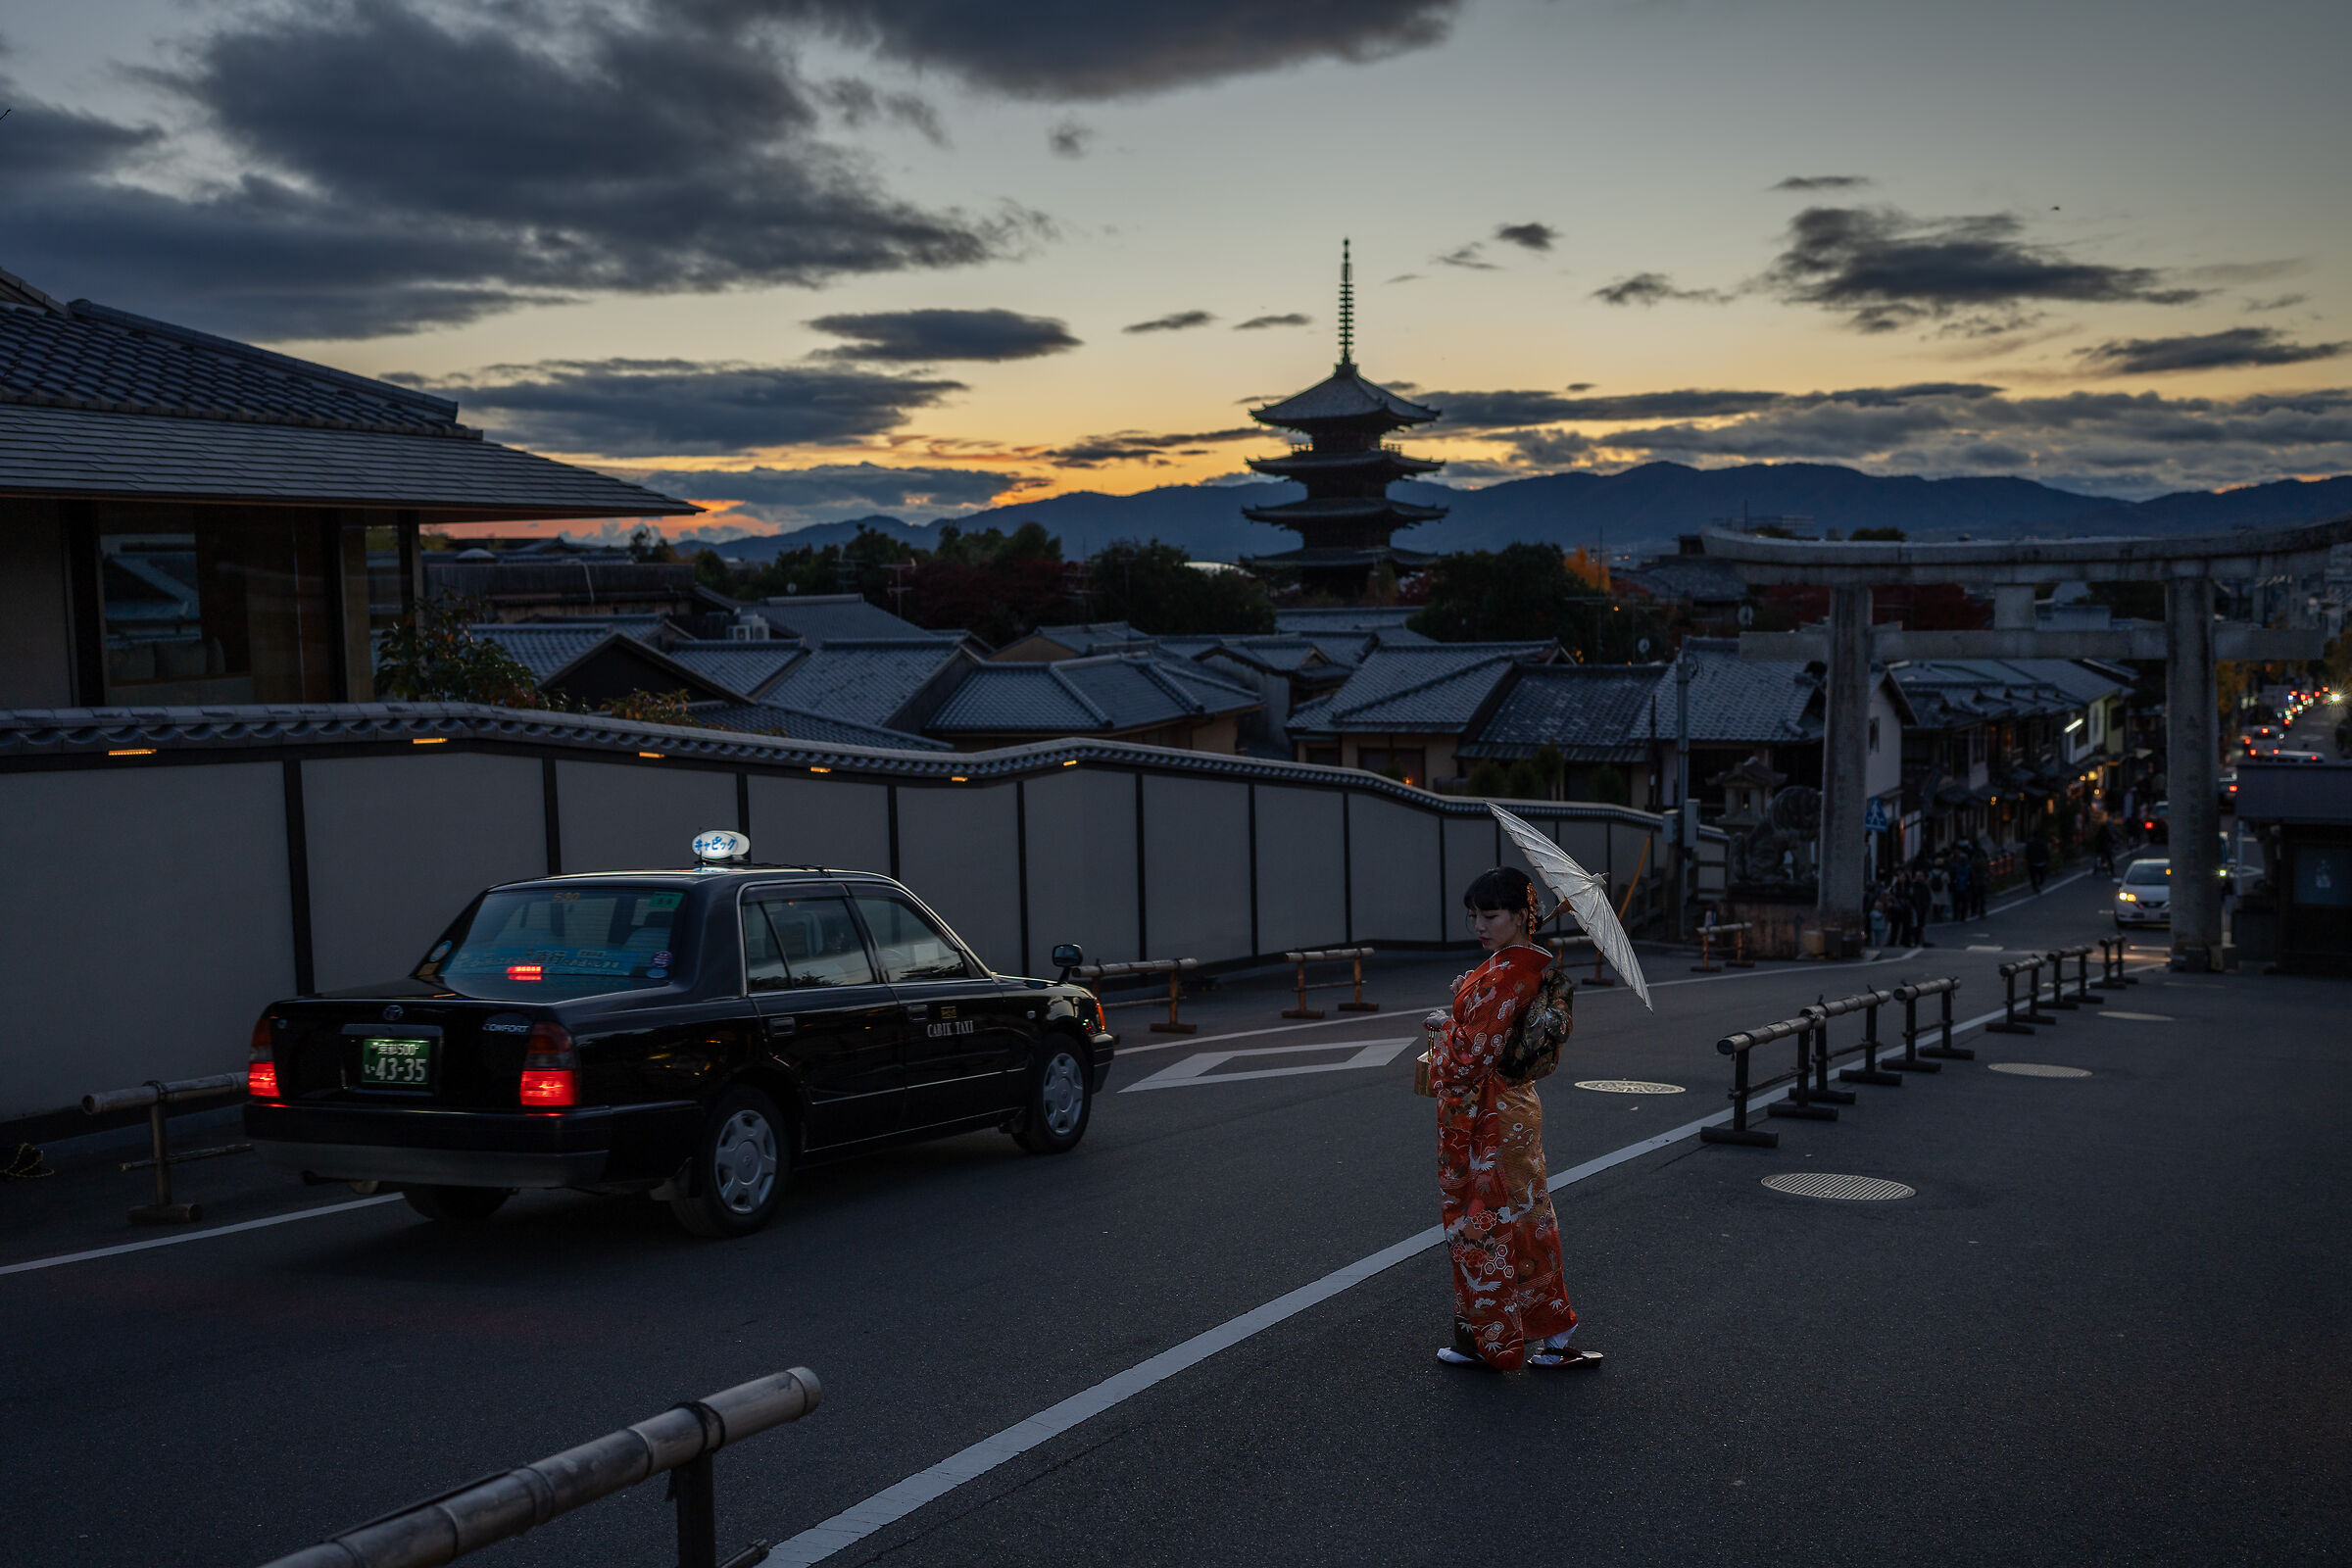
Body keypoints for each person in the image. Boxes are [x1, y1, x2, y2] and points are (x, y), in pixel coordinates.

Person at [1423, 867, 1593, 1372]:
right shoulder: (1519, 966)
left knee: (1484, 1222)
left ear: (1523, 917)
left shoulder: (1508, 973)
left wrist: (1447, 1025)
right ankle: (1553, 1335)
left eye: (1491, 915)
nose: (1479, 924)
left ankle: (1486, 1338)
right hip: (1512, 1110)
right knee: (1525, 1220)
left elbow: (1471, 1054)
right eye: (1473, 915)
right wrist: (1467, 1001)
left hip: (1491, 1117)